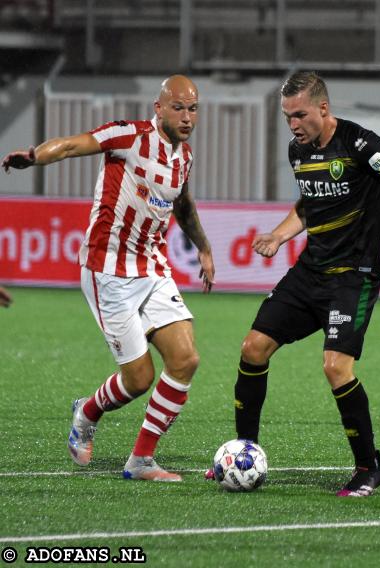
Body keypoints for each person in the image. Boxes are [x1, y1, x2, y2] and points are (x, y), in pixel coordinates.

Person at [233, 71, 380, 497]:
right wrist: (278, 234)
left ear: (323, 109)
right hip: (310, 272)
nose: (293, 125)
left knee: (335, 366)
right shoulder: (299, 150)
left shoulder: (360, 143)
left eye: (300, 115)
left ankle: (368, 466)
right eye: (287, 116)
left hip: (354, 276)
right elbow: (309, 205)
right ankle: (244, 452)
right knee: (253, 348)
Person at [1, 75, 215, 482]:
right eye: (179, 107)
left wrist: (203, 248)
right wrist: (33, 155)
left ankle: (141, 461)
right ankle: (86, 413)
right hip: (108, 269)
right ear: (159, 107)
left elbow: (183, 205)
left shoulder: (183, 157)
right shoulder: (129, 137)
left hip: (152, 267)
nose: (187, 116)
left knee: (186, 358)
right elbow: (69, 145)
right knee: (139, 379)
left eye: (193, 108)